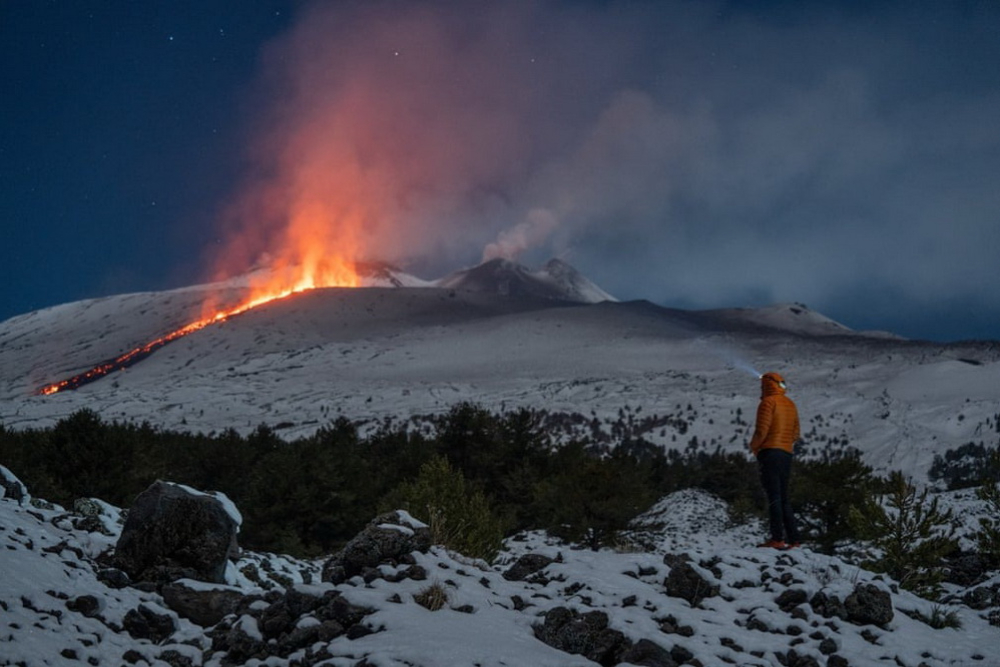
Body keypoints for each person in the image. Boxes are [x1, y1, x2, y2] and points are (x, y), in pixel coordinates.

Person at [748, 371, 801, 549]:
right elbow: (796, 434)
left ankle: (777, 538)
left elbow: (761, 431)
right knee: (784, 497)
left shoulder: (767, 403)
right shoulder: (790, 404)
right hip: (786, 453)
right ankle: (794, 540)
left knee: (774, 497)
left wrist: (754, 447)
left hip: (770, 452)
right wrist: (785, 444)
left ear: (767, 385)